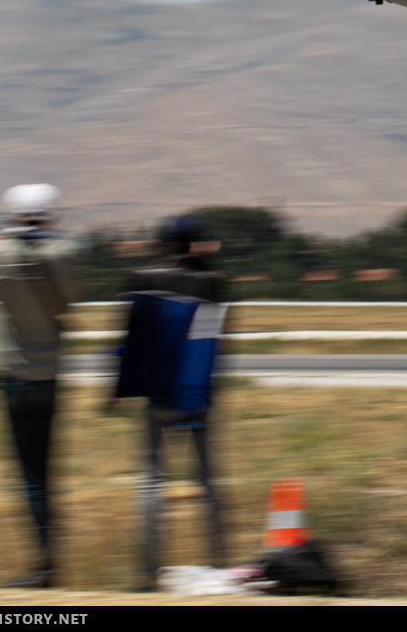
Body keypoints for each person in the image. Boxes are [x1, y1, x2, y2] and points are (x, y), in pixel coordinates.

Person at [0, 184, 80, 588]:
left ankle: (45, 563)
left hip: (13, 375)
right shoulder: (67, 253)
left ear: (12, 215)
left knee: (30, 473)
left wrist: (6, 236)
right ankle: (52, 554)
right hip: (52, 374)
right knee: (48, 467)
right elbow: (72, 297)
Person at [119, 214, 230, 591]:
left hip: (157, 393)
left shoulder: (142, 280)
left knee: (151, 480)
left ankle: (147, 569)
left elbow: (132, 342)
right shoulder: (212, 282)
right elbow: (214, 344)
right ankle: (219, 559)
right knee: (208, 481)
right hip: (195, 394)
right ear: (193, 243)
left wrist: (118, 391)